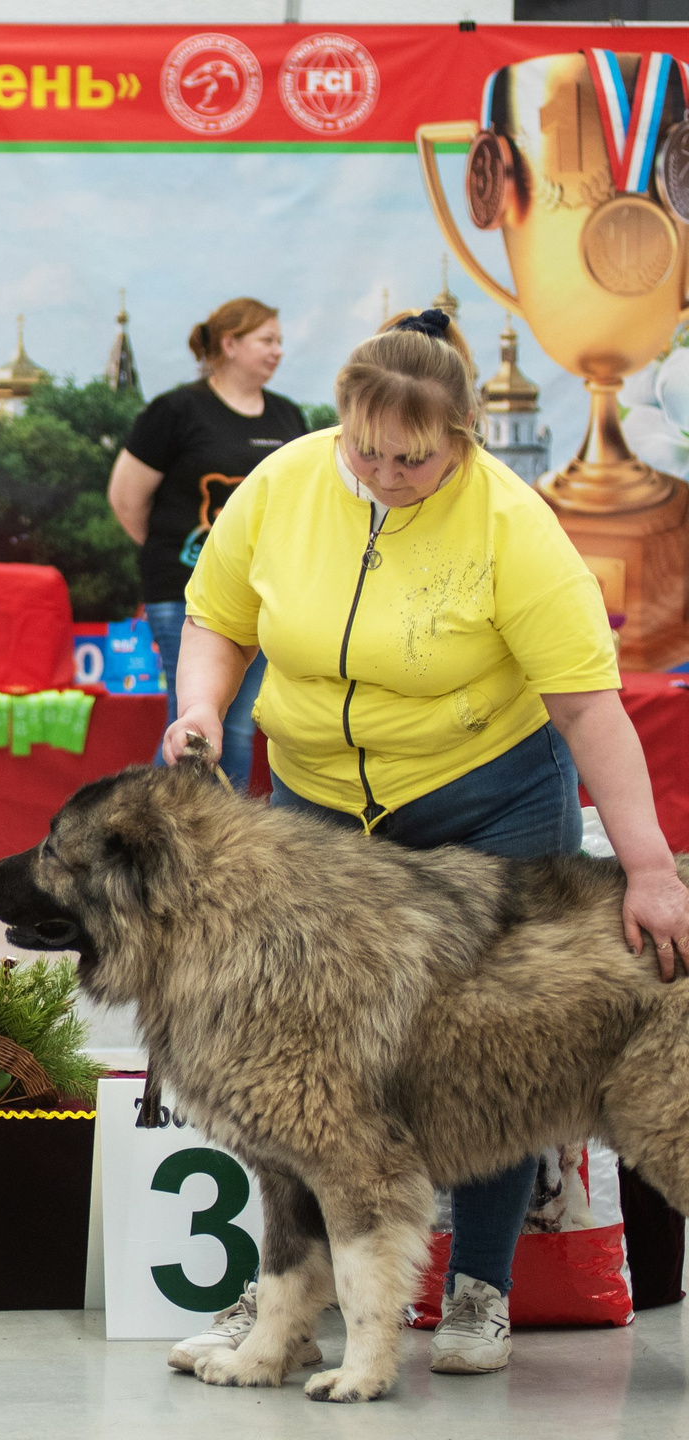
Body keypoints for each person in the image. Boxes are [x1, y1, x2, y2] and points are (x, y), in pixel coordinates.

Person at [161, 308, 689, 1376]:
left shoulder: (514, 526)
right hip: (314, 808)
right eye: (365, 450)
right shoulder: (285, 483)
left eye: (414, 457)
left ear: (460, 439)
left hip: (483, 796)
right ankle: (285, 1304)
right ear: (341, 423)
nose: (386, 472)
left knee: (494, 1046)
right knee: (295, 1067)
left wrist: (649, 868)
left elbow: (589, 710)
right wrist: (203, 711)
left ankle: (478, 1294)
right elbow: (217, 618)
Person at [108, 298, 308, 791]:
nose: (278, 351)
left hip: (261, 596)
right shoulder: (176, 411)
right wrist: (181, 557)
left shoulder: (288, 416)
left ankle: (193, 850)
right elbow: (126, 499)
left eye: (280, 341)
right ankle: (171, 849)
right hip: (183, 593)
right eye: (267, 340)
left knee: (234, 725)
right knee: (200, 725)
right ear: (229, 344)